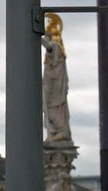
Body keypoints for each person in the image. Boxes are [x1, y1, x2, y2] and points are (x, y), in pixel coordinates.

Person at [42, 13, 72, 143]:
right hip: (51, 83)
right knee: (48, 108)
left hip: (55, 87)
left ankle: (61, 131)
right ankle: (53, 132)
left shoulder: (55, 47)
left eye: (48, 36)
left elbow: (48, 46)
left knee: (54, 108)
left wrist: (36, 33)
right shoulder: (57, 50)